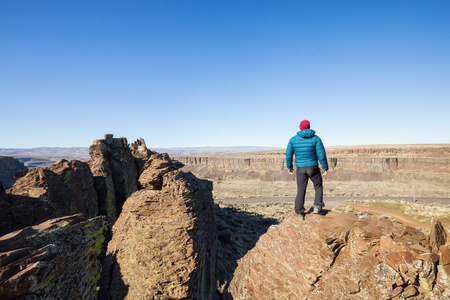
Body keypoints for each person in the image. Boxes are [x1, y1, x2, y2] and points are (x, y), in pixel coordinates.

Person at [286, 120, 328, 221]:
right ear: (309, 127)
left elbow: (288, 155)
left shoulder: (293, 140)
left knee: (301, 189)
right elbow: (321, 155)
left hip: (300, 168)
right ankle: (317, 207)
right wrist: (325, 168)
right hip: (313, 167)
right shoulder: (316, 139)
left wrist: (290, 167)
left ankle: (300, 213)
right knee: (318, 186)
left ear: (300, 127)